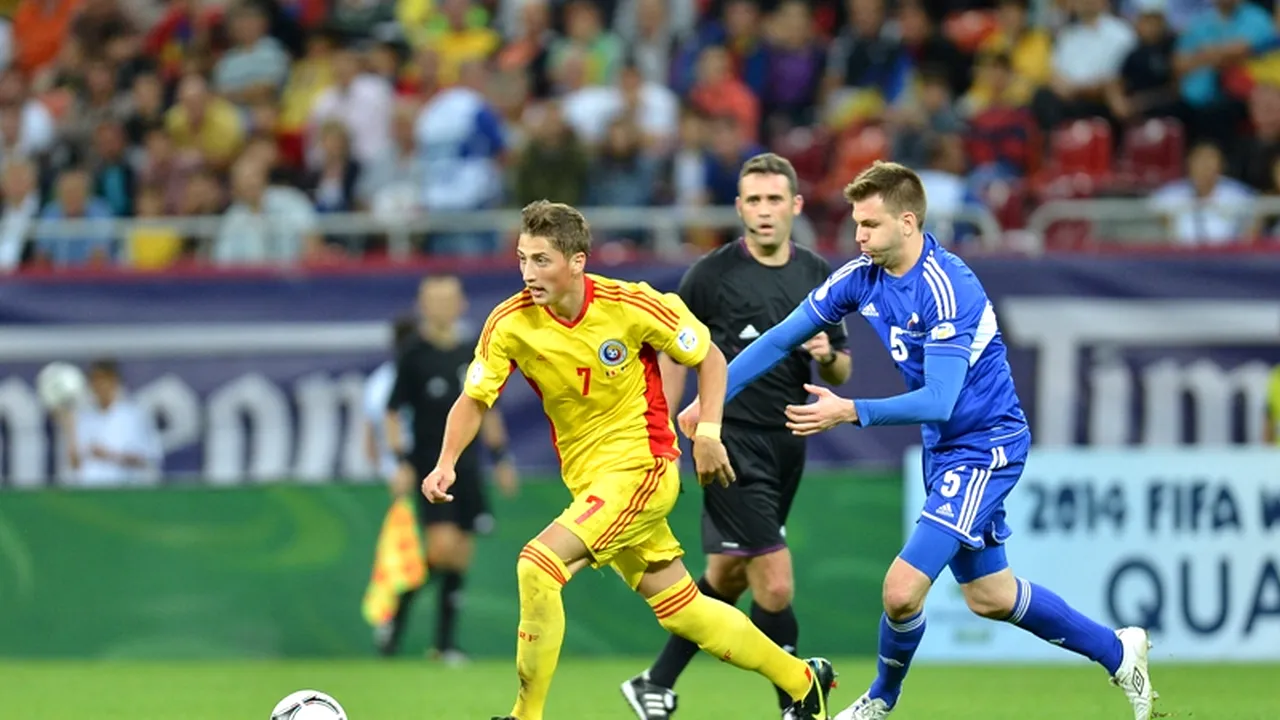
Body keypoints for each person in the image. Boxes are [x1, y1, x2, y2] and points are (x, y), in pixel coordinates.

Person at [678, 162, 1155, 720]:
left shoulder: (948, 288)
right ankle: (1118, 651)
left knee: (901, 590)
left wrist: (849, 411)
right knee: (990, 596)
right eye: (856, 224)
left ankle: (881, 699)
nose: (858, 237)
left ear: (908, 222)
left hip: (986, 446)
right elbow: (782, 337)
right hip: (945, 450)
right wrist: (711, 398)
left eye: (870, 225)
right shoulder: (862, 276)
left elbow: (940, 400)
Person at [420, 200, 837, 720]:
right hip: (591, 483)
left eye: (542, 260)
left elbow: (709, 357)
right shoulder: (509, 323)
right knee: (684, 611)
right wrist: (446, 462)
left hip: (643, 468)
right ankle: (804, 681)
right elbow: (475, 398)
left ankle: (526, 716)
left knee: (537, 566)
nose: (529, 273)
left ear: (577, 261)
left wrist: (708, 430)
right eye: (523, 259)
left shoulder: (631, 304)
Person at [622, 153, 852, 720]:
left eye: (776, 199)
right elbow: (676, 355)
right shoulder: (709, 276)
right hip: (725, 440)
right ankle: (801, 701)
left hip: (788, 439)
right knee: (774, 585)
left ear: (796, 206)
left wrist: (828, 357)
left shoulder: (818, 273)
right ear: (739, 207)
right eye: (754, 200)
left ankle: (655, 681)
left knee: (727, 573)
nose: (765, 211)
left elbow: (843, 366)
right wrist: (668, 433)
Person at [379, 275, 519, 662]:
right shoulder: (413, 353)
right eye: (434, 300)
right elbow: (393, 412)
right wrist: (403, 462)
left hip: (469, 467)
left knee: (459, 556)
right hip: (430, 467)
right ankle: (397, 611)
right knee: (440, 551)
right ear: (423, 306)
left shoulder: (471, 352)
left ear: (461, 305)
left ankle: (444, 645)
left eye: (449, 300)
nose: (442, 307)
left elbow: (486, 408)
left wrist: (502, 458)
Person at [59, 357, 163, 487]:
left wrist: (109, 455)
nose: (99, 387)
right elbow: (75, 465)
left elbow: (148, 459)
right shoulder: (84, 419)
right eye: (95, 381)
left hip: (126, 492)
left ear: (114, 381)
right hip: (91, 493)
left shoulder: (134, 416)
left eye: (104, 380)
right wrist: (69, 429)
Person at [362, 315, 418, 482]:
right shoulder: (381, 383)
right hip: (400, 473)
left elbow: (369, 439)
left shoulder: (378, 382)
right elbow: (370, 437)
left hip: (395, 472)